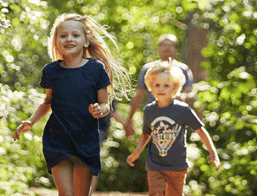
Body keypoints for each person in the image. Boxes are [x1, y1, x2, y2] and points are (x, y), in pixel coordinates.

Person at [13, 13, 130, 196]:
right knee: (66, 194)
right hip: (57, 138)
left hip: (86, 138)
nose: (69, 39)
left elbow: (105, 103)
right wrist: (31, 121)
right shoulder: (50, 71)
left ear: (85, 41)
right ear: (56, 41)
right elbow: (48, 102)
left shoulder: (96, 69)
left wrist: (101, 109)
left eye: (75, 35)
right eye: (63, 35)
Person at [126, 61, 220, 196]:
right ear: (151, 88)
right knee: (156, 193)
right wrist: (137, 151)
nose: (161, 89)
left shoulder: (182, 110)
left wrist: (212, 151)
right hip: (155, 164)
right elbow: (146, 134)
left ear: (175, 88)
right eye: (157, 85)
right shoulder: (149, 111)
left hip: (177, 166)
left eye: (166, 85)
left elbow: (200, 130)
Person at [125, 34, 195, 137]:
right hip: (153, 116)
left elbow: (190, 93)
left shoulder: (183, 69)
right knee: (151, 147)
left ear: (176, 50)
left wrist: (179, 97)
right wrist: (129, 120)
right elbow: (139, 95)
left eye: (171, 45)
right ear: (158, 49)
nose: (167, 47)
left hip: (176, 117)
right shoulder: (149, 69)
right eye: (164, 44)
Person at [89, 100, 135, 195]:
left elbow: (111, 109)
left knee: (92, 160)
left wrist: (126, 125)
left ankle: (87, 192)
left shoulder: (107, 88)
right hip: (86, 126)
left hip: (99, 128)